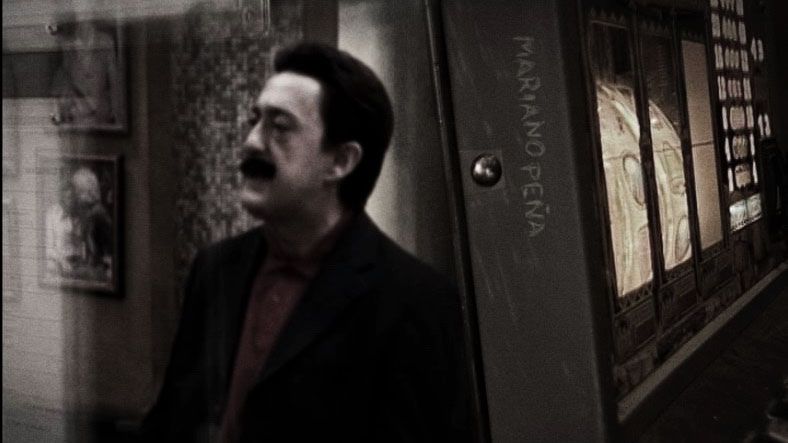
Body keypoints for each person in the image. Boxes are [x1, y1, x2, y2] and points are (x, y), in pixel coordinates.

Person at [142, 42, 471, 442]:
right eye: (254, 120)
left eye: (279, 127)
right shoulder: (215, 268)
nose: (251, 142)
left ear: (341, 161)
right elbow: (170, 419)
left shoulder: (415, 302)